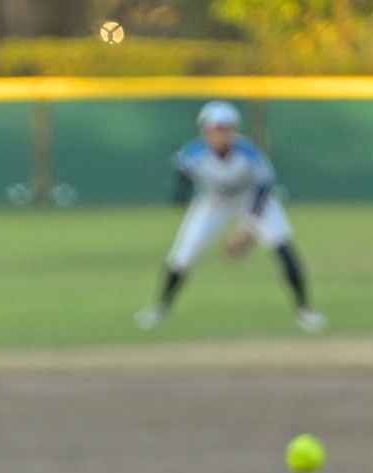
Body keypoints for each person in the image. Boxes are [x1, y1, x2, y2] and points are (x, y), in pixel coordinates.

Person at [136, 100, 323, 334]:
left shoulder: (250, 154)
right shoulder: (194, 153)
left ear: (235, 130)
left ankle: (305, 309)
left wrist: (247, 232)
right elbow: (184, 173)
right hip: (214, 202)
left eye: (226, 128)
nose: (221, 134)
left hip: (252, 199)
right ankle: (160, 308)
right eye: (216, 129)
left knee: (283, 246)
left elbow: (263, 191)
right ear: (205, 130)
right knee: (184, 254)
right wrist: (180, 198)